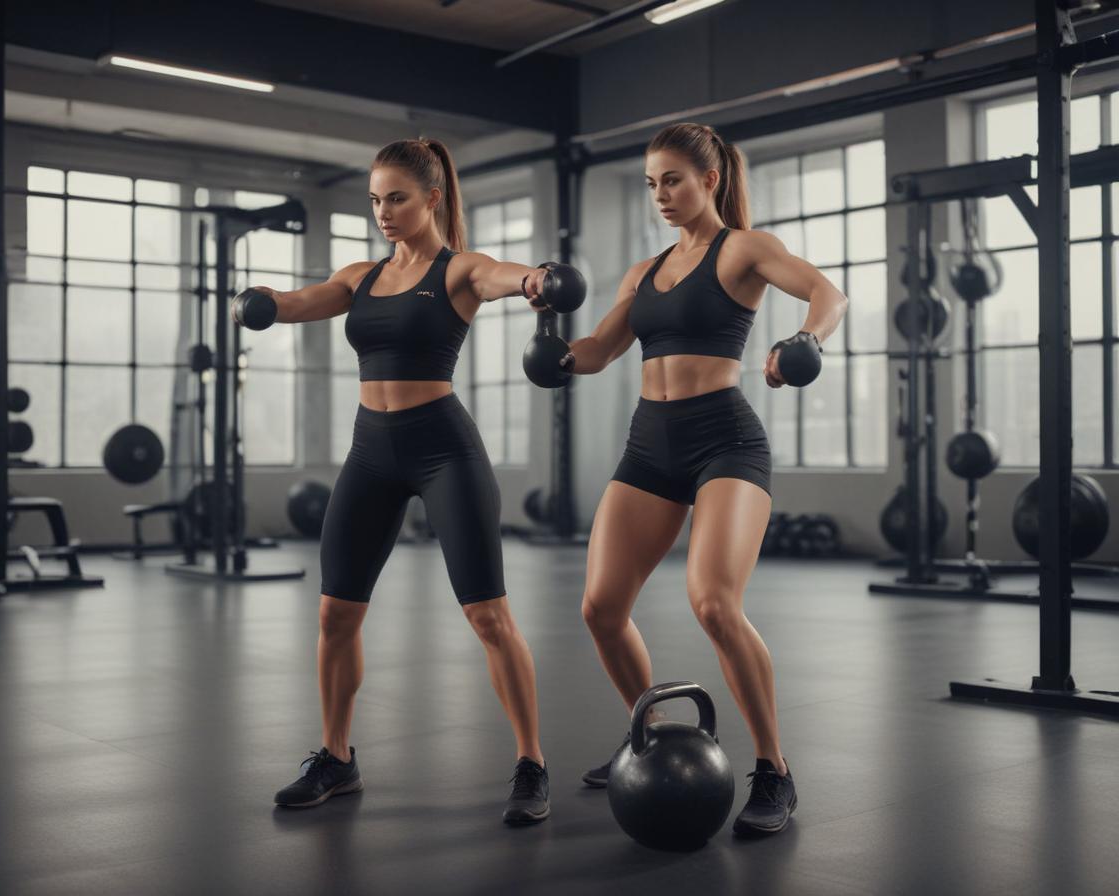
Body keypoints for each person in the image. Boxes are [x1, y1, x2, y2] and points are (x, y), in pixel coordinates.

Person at [235, 138, 573, 826]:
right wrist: (269, 299)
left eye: (396, 198)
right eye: (375, 200)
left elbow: (504, 276)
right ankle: (337, 757)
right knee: (336, 613)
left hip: (442, 448)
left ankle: (532, 763)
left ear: (432, 198)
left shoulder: (459, 270)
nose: (383, 212)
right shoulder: (362, 275)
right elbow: (303, 302)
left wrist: (537, 280)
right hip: (370, 450)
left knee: (487, 615)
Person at [544, 122, 847, 837]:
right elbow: (600, 348)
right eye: (652, 184)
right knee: (600, 607)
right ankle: (647, 732)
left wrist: (803, 339)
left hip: (725, 440)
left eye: (673, 179)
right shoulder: (643, 272)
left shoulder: (742, 248)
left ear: (710, 180)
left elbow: (826, 293)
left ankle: (774, 769)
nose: (661, 195)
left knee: (713, 602)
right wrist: (557, 349)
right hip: (649, 445)